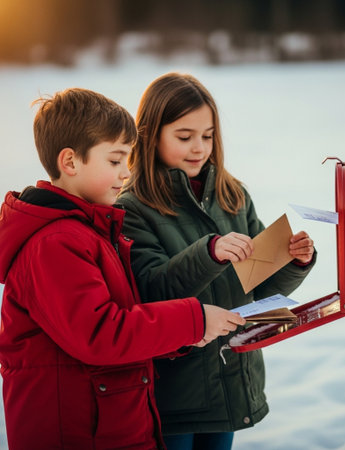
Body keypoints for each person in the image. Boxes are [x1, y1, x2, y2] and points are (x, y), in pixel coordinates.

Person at [0, 87, 245, 450]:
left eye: (127, 160)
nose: (124, 173)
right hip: (81, 435)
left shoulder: (92, 232)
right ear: (70, 163)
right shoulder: (55, 244)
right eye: (115, 161)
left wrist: (185, 334)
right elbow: (100, 334)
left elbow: (126, 317)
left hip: (114, 428)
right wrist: (192, 320)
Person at [117, 72, 317, 450]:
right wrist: (210, 253)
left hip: (230, 378)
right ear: (150, 134)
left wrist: (293, 263)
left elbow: (258, 290)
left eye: (207, 136)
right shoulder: (133, 207)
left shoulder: (232, 195)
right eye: (184, 136)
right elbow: (152, 290)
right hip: (173, 392)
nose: (199, 148)